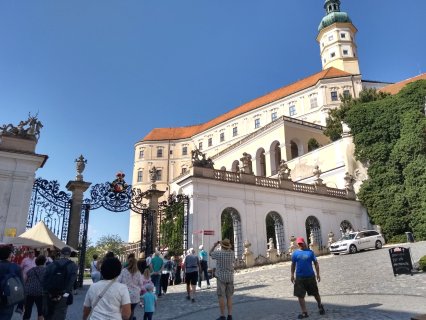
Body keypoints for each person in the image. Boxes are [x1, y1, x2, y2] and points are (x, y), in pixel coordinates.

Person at [290, 237, 325, 319]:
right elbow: (293, 265)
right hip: (299, 277)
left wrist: (318, 274)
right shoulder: (295, 254)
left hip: (310, 277)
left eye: (301, 243)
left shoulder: (310, 252)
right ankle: (304, 312)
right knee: (300, 295)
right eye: (299, 244)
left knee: (315, 294)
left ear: (304, 242)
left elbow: (316, 263)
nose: (300, 245)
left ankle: (320, 305)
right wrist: (292, 275)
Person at [42, 246, 78, 320]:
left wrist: (47, 292)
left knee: (48, 315)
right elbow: (71, 282)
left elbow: (44, 279)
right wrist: (64, 294)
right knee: (60, 314)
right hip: (63, 295)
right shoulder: (73, 266)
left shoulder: (51, 264)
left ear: (60, 253)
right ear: (70, 254)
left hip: (49, 294)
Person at [210, 239, 234, 320]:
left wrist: (215, 245)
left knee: (221, 296)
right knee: (229, 297)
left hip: (221, 278)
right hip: (230, 277)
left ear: (222, 246)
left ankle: (222, 315)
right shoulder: (232, 253)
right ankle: (230, 315)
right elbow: (229, 249)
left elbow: (210, 253)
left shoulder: (219, 253)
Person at [0, 245, 24, 320]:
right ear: (10, 255)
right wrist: (21, 305)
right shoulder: (16, 267)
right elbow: (21, 286)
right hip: (8, 298)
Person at [118, 256, 143, 320]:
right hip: (135, 295)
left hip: (125, 294)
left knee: (124, 312)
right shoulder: (138, 272)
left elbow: (118, 281)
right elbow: (141, 284)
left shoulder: (124, 271)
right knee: (131, 311)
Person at [23, 254, 46, 320]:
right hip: (41, 293)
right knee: (40, 312)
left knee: (27, 311)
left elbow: (25, 280)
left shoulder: (30, 270)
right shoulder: (46, 271)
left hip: (29, 292)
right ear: (44, 262)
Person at [16, 249, 36, 314]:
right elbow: (20, 268)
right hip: (25, 279)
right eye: (29, 252)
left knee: (31, 291)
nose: (30, 253)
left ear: (34, 253)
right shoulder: (25, 260)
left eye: (32, 252)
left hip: (34, 279)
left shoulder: (36, 259)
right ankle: (21, 307)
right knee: (24, 292)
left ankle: (29, 304)